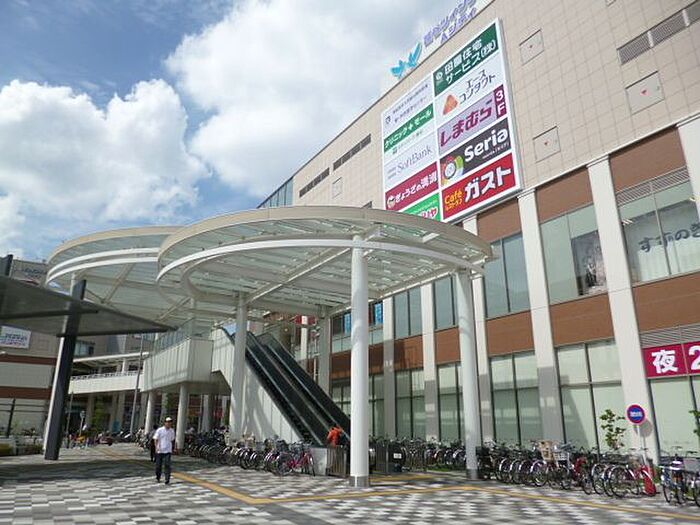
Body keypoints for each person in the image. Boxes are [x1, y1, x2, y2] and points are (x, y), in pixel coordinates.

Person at [153, 417, 176, 484]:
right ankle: (158, 477)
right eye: (167, 422)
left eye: (170, 422)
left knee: (167, 464)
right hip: (159, 450)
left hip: (168, 450)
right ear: (165, 423)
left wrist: (173, 448)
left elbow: (172, 439)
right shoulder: (160, 430)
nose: (169, 423)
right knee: (158, 466)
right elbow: (155, 439)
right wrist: (156, 447)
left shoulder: (172, 431)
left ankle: (167, 479)